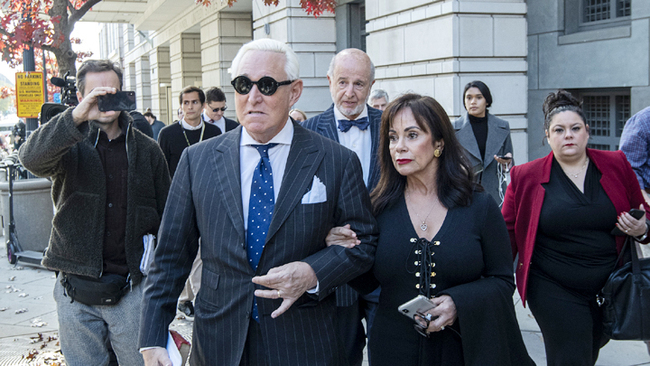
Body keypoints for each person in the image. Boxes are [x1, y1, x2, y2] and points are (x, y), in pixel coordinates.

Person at [138, 38, 378, 366]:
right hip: (219, 341)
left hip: (304, 340)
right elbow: (170, 256)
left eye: (266, 85)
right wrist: (152, 336)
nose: (253, 98)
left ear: (294, 91)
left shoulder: (335, 160)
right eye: (242, 85)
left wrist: (312, 272)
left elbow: (362, 242)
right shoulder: (198, 160)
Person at [326, 93, 534, 366]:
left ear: (439, 143)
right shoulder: (376, 208)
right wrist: (345, 249)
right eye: (392, 137)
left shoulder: (479, 205)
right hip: (393, 348)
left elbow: (502, 280)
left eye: (411, 135)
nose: (399, 147)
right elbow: (369, 282)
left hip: (462, 349)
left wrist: (457, 302)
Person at [18, 59, 170, 366]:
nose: (106, 100)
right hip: (75, 291)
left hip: (131, 290)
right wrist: (75, 117)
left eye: (112, 91)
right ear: (83, 97)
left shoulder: (147, 149)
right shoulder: (67, 144)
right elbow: (30, 158)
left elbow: (167, 214)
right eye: (96, 94)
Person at [502, 90, 650, 365]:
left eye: (575, 128)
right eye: (559, 130)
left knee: (586, 352)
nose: (567, 135)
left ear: (587, 132)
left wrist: (641, 228)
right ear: (547, 135)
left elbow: (645, 215)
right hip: (552, 287)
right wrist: (493, 280)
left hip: (609, 288)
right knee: (570, 356)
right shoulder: (525, 177)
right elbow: (505, 233)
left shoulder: (616, 164)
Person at [302, 48, 382, 366]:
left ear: (371, 85)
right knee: (341, 356)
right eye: (343, 82)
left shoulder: (391, 126)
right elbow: (298, 201)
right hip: (336, 270)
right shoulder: (305, 133)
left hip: (385, 267)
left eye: (359, 84)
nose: (350, 93)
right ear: (329, 81)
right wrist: (324, 232)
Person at [454, 80, 513, 206]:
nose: (473, 102)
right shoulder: (453, 129)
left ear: (487, 101)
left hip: (496, 195)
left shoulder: (502, 126)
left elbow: (510, 165)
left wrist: (507, 163)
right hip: (465, 193)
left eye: (478, 97)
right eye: (469, 98)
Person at [157, 86, 222, 177]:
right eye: (186, 103)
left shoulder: (214, 132)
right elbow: (161, 171)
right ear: (181, 106)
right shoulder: (167, 134)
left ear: (203, 105)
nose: (190, 107)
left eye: (195, 102)